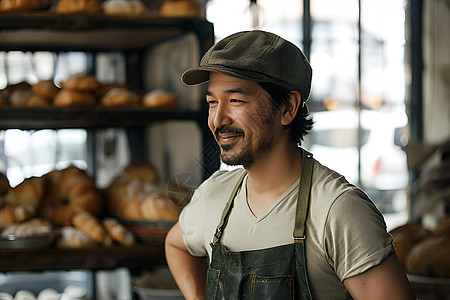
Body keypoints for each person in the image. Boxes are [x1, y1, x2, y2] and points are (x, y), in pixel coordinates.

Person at [165, 30, 415, 300]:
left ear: (287, 108)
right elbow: (176, 245)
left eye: (236, 100)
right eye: (212, 102)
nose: (218, 118)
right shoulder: (213, 196)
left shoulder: (338, 211)